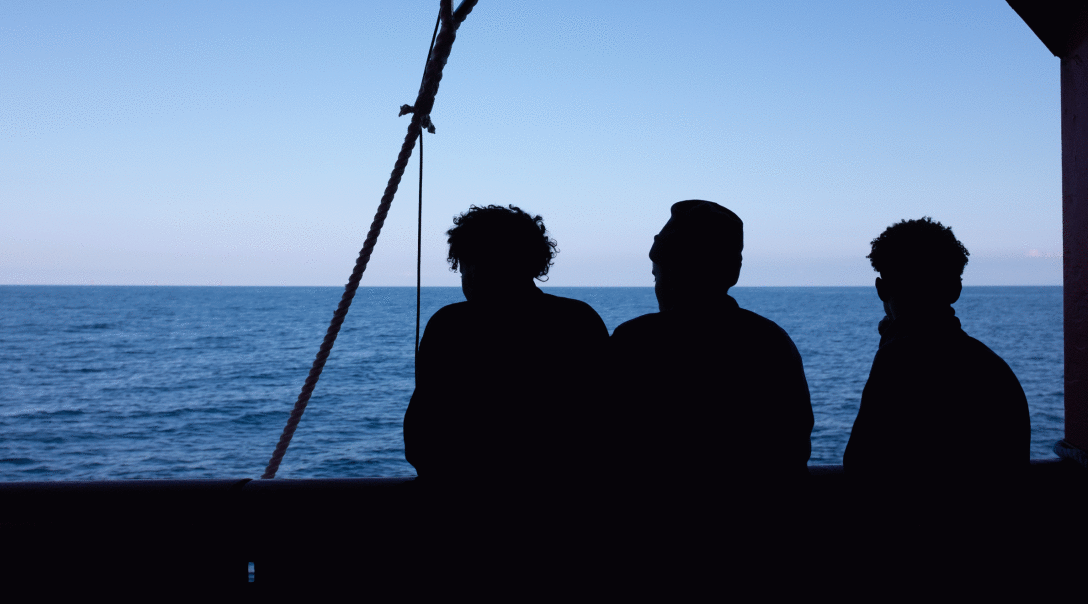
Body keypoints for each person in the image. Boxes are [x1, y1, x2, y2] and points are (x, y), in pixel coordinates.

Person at [609, 200, 814, 482]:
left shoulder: (634, 341)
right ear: (731, 274)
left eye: (659, 274)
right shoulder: (772, 342)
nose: (658, 286)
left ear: (671, 277)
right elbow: (792, 448)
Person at [403, 204, 610, 482]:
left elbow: (423, 434)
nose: (469, 275)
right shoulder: (579, 320)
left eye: (468, 264)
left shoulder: (449, 325)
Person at [844, 217, 1031, 479]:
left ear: (881, 289)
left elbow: (861, 468)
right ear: (955, 289)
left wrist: (893, 340)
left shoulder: (897, 360)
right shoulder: (994, 367)